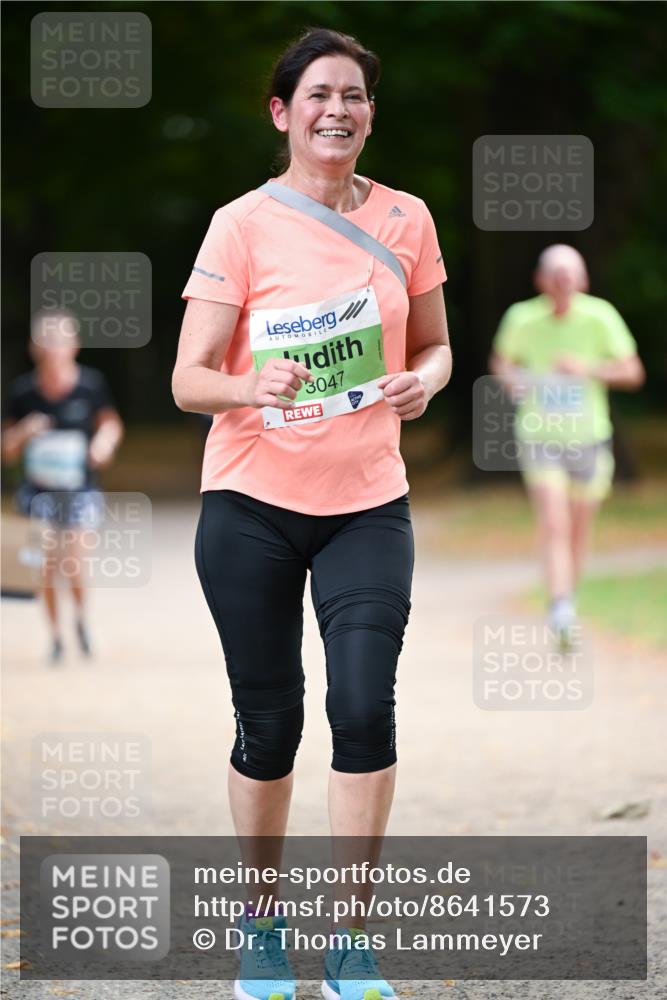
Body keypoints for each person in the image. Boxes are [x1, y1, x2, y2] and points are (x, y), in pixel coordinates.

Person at [172, 27, 451, 1000]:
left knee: (363, 707)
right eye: (319, 94)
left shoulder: (408, 219)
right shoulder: (240, 224)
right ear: (282, 111)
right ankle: (260, 926)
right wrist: (252, 382)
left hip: (368, 501)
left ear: (369, 114)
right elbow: (187, 379)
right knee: (269, 722)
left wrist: (423, 381)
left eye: (356, 96)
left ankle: (350, 940)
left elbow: (436, 344)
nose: (339, 109)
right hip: (250, 499)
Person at [489, 244, 644, 644]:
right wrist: (513, 378)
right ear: (541, 280)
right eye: (556, 274)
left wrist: (588, 369)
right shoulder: (521, 317)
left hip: (589, 437)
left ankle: (566, 600)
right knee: (554, 521)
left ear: (583, 279)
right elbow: (501, 361)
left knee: (578, 524)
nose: (564, 281)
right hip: (540, 436)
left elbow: (632, 371)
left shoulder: (600, 316)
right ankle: (560, 607)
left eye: (571, 274)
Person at [2, 310, 123, 663]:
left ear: (74, 345)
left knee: (73, 562)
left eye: (61, 340)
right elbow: (6, 450)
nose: (54, 348)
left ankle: (82, 620)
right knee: (45, 567)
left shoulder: (91, 384)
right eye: (47, 340)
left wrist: (104, 444)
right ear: (34, 347)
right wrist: (24, 431)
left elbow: (111, 424)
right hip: (37, 494)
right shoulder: (22, 392)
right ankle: (55, 636)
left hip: (80, 491)